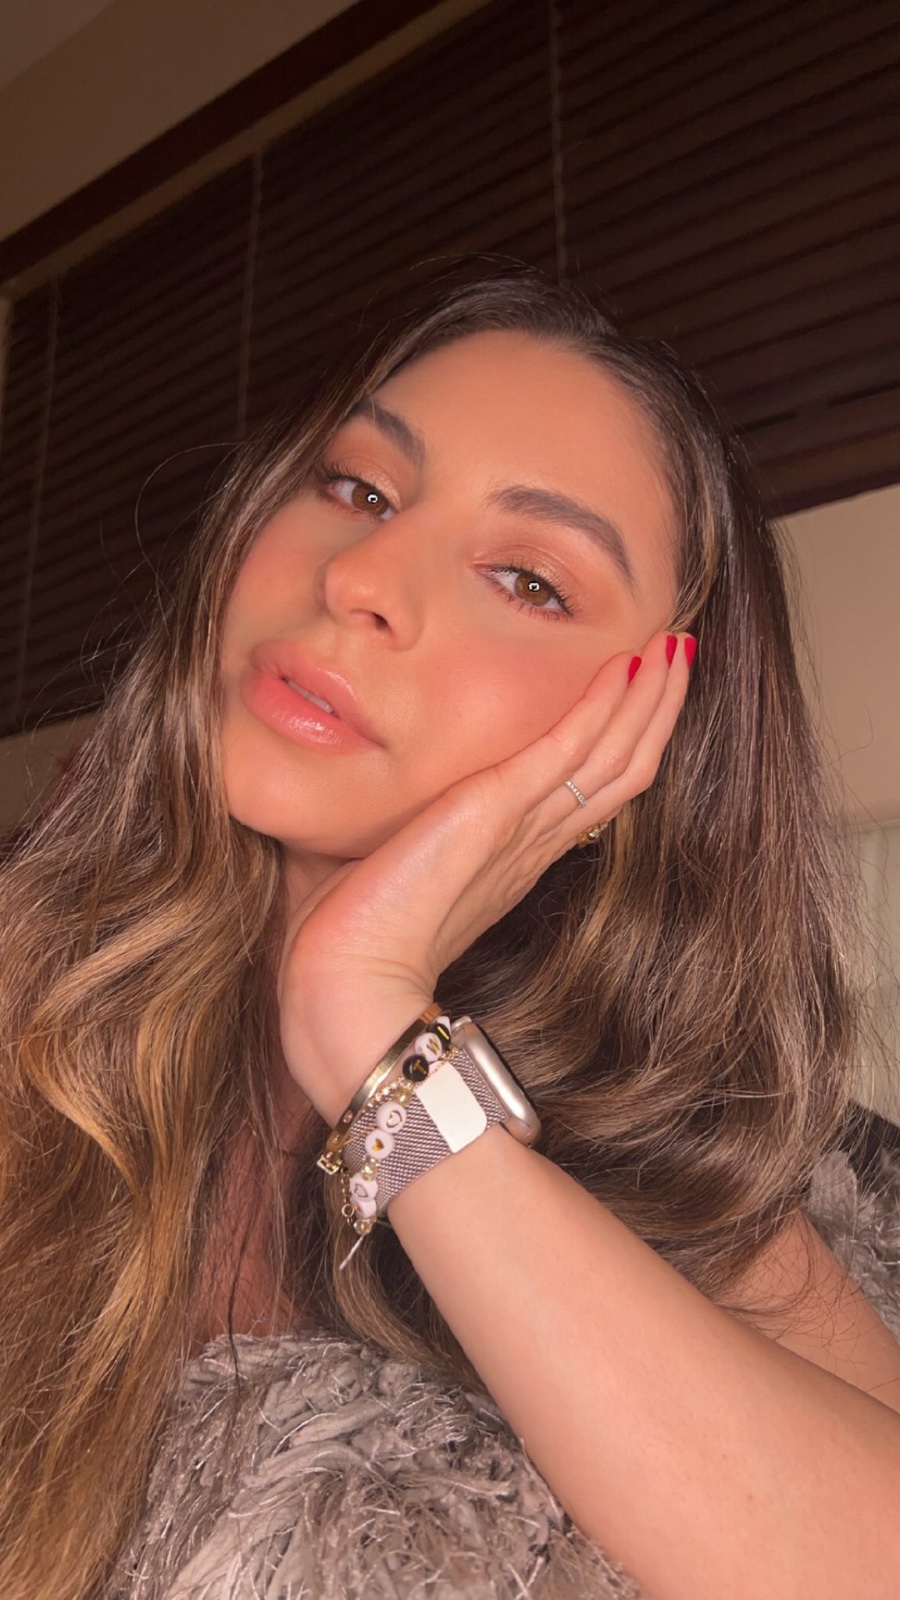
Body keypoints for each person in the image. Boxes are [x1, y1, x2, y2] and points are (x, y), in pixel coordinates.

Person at [1, 270, 899, 1600]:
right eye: (359, 489)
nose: (357, 576)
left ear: (649, 734)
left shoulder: (676, 1157)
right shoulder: (41, 988)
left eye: (527, 579)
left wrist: (367, 1018)